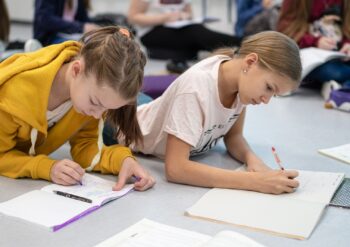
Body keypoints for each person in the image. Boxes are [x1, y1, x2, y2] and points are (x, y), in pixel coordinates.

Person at [105, 31, 302, 194]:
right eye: (269, 87)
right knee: (104, 95)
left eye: (274, 95)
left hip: (151, 110)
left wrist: (252, 159)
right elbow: (176, 169)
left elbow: (234, 137)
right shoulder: (197, 88)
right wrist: (256, 181)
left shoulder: (240, 86)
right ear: (250, 62)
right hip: (121, 123)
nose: (266, 100)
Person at [0, 26, 155, 191]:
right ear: (76, 70)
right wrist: (45, 168)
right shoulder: (12, 95)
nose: (97, 116)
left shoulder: (86, 93)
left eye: (105, 109)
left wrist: (124, 161)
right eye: (95, 102)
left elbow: (86, 147)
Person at [127, 0, 242, 74]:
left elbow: (189, 14)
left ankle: (238, 46)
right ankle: (241, 44)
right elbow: (133, 17)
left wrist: (185, 16)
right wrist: (166, 17)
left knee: (197, 31)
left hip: (178, 27)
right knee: (196, 33)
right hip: (151, 32)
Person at [277, 0, 350, 92]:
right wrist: (316, 41)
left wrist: (347, 43)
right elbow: (285, 32)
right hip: (307, 55)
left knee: (336, 71)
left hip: (338, 55)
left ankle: (339, 86)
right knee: (334, 73)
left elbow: (347, 29)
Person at [34, 0, 100, 46]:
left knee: (98, 44)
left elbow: (84, 20)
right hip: (50, 38)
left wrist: (95, 29)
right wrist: (81, 27)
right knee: (82, 48)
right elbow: (45, 19)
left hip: (73, 36)